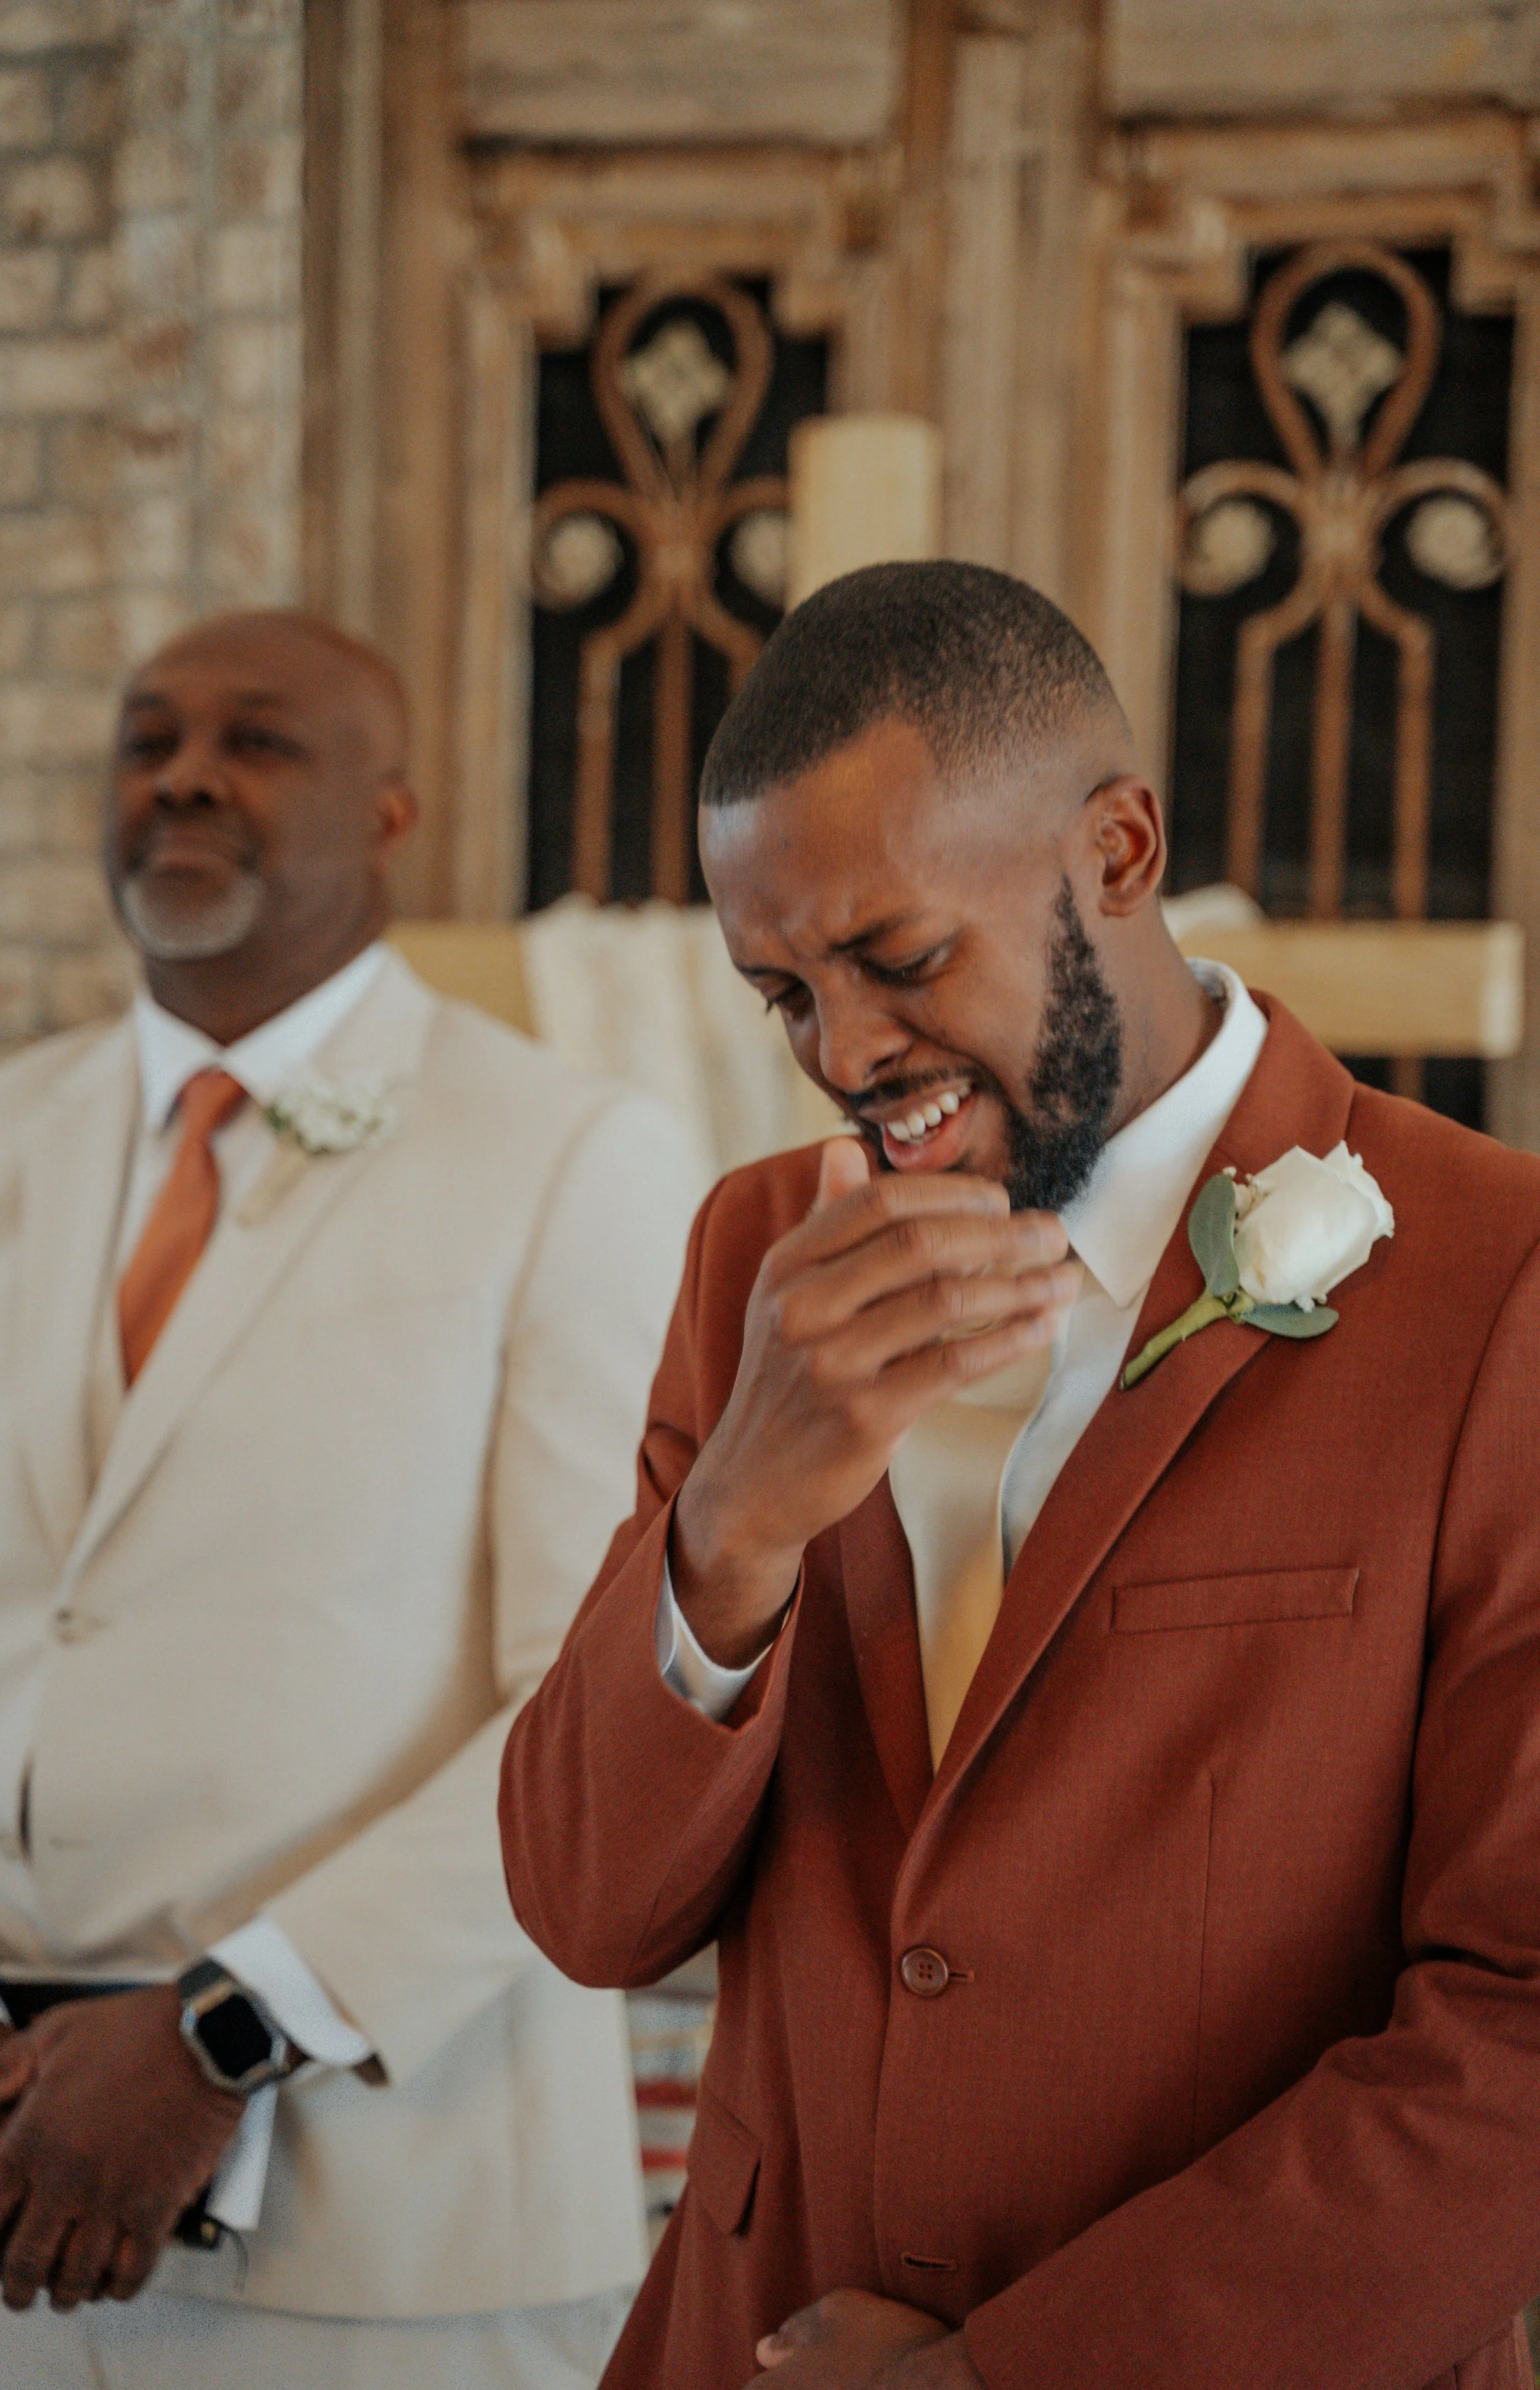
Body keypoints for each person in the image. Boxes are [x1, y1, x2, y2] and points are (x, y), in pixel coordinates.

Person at [501, 561, 1540, 2390]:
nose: (843, 1055)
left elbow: (1515, 2029)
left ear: (1119, 852)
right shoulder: (761, 1252)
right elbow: (591, 1907)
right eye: (781, 995)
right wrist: (732, 1525)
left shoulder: (1493, 1276)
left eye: (901, 960)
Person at [0, 609, 701, 2387]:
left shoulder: (571, 1158)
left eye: (260, 740)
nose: (186, 777)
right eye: (149, 740)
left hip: (389, 2232)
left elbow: (590, 1714)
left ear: (391, 814)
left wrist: (227, 2032)